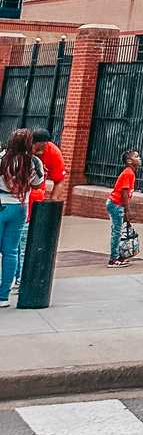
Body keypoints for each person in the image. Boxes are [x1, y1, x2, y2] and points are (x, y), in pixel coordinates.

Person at [18, 129, 67, 290]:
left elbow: (59, 180)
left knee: (25, 241)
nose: (41, 150)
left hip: (34, 202)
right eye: (38, 146)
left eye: (43, 146)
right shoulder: (19, 149)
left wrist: (52, 204)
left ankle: (22, 277)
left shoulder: (52, 152)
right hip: (15, 200)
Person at [0, 131, 44, 307]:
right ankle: (3, 296)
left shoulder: (3, 158)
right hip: (21, 206)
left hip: (2, 203)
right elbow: (38, 183)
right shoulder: (33, 161)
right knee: (11, 251)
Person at [107, 148, 141, 267]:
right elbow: (124, 193)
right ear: (129, 161)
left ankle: (118, 256)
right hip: (116, 204)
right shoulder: (128, 173)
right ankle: (113, 259)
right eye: (136, 156)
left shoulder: (130, 172)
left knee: (118, 231)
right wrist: (127, 211)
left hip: (116, 204)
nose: (139, 159)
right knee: (117, 232)